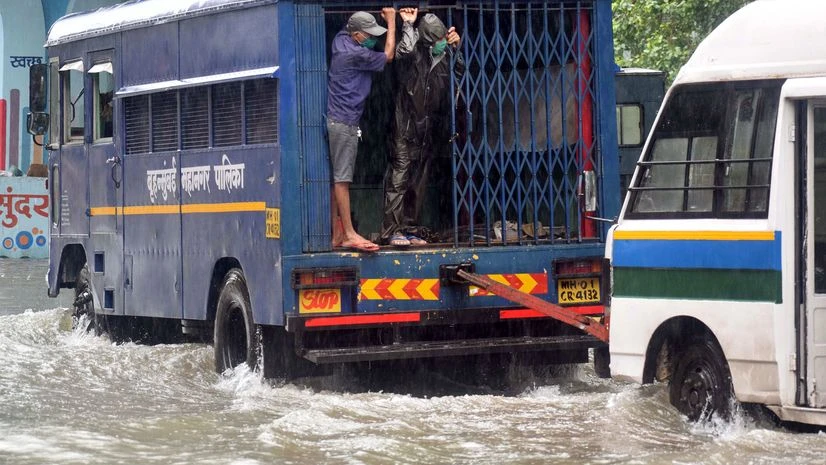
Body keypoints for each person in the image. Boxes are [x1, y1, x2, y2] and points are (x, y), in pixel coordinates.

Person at [380, 9, 463, 247]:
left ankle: (409, 229)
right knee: (399, 180)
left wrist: (456, 49)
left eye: (442, 40)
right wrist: (407, 25)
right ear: (425, 40)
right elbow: (402, 50)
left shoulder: (443, 57)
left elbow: (461, 74)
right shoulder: (413, 57)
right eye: (436, 40)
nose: (440, 44)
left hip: (426, 130)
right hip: (404, 128)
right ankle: (391, 231)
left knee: (418, 182)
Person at [328, 8, 397, 253]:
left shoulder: (340, 40)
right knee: (342, 179)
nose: (373, 39)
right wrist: (391, 20)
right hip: (344, 121)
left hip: (339, 120)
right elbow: (389, 55)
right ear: (356, 35)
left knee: (337, 177)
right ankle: (348, 234)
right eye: (368, 35)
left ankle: (337, 233)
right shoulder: (355, 54)